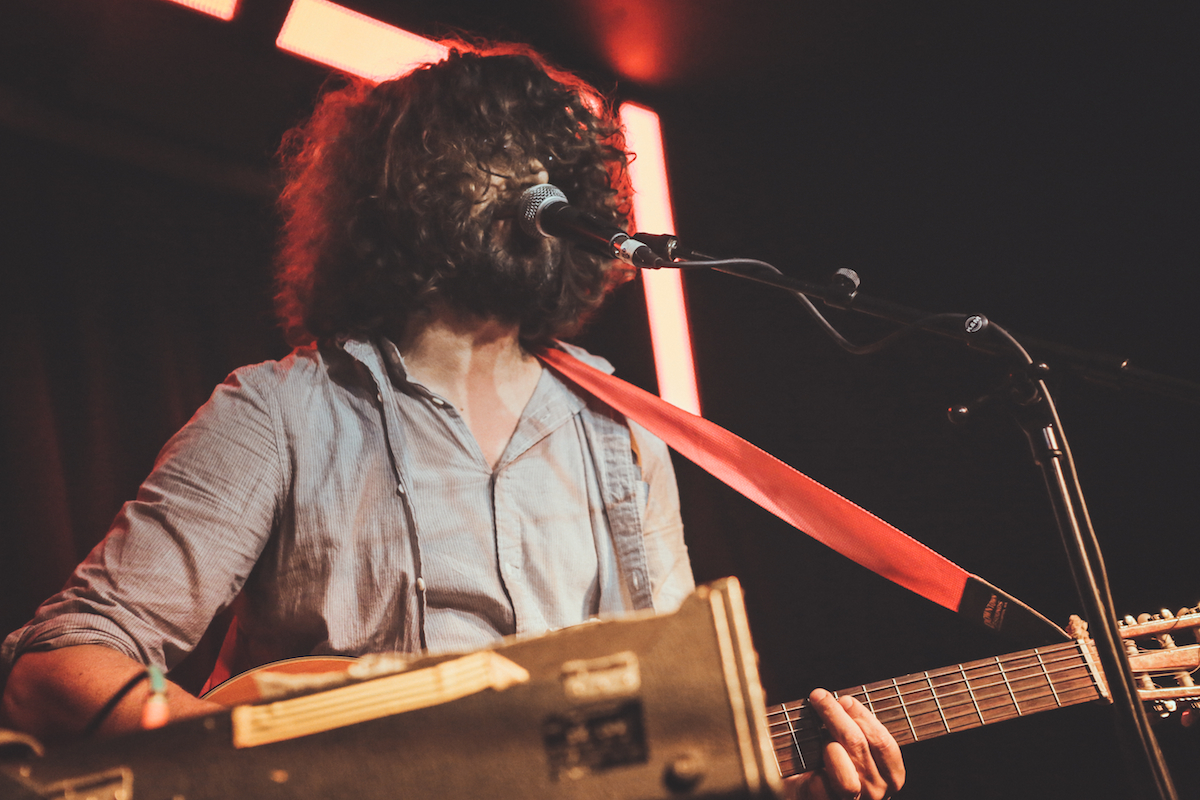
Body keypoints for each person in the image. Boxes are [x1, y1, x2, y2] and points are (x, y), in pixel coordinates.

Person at [0, 40, 902, 800]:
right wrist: (274, 771)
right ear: (410, 180)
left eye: (556, 161)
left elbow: (664, 739)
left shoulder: (626, 433)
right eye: (505, 149)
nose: (541, 178)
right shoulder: (282, 410)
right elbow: (57, 664)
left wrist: (794, 785)